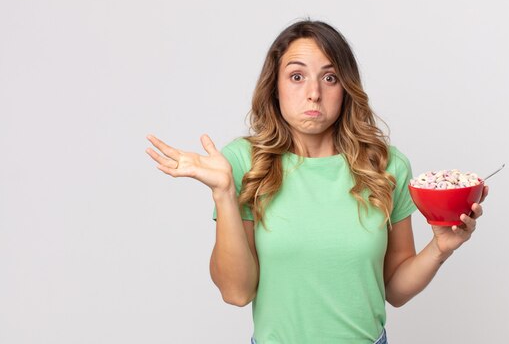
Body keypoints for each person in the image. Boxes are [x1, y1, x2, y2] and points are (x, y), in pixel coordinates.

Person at [146, 19, 488, 344]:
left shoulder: (386, 166)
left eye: (330, 78)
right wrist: (223, 193)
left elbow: (395, 290)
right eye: (296, 76)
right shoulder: (241, 164)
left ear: (346, 88)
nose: (313, 93)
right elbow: (236, 293)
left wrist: (440, 249)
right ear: (275, 88)